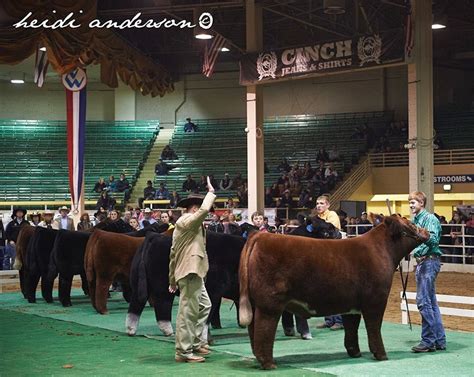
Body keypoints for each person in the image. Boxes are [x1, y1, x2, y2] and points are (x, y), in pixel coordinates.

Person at [168, 176, 216, 363]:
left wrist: (172, 279)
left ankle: (196, 342)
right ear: (194, 209)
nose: (207, 214)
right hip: (189, 272)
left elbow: (173, 254)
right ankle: (183, 352)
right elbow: (204, 210)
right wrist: (210, 193)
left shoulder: (192, 227)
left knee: (205, 305)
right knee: (187, 311)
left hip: (192, 271)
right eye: (203, 211)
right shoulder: (186, 221)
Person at [408, 191, 446, 353]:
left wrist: (416, 251)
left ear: (421, 203)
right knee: (430, 302)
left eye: (413, 202)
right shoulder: (414, 221)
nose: (411, 205)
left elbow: (433, 239)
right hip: (424, 262)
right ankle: (439, 339)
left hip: (429, 261)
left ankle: (428, 340)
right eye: (410, 202)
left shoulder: (429, 219)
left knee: (423, 301)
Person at [313, 195, 343, 330]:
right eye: (317, 203)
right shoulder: (317, 218)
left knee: (336, 288)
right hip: (321, 255)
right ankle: (329, 319)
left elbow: (330, 232)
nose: (319, 206)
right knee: (324, 289)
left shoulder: (332, 215)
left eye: (322, 203)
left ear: (328, 205)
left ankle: (339, 320)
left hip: (334, 256)